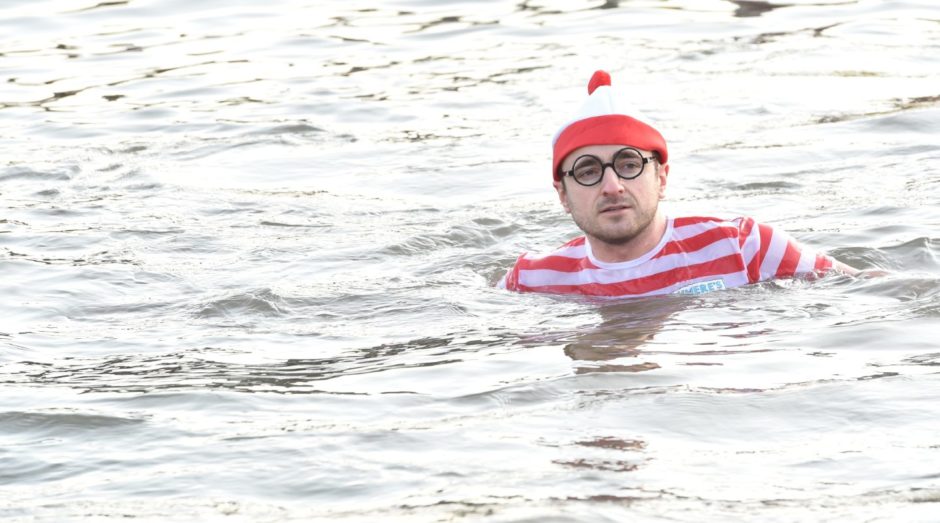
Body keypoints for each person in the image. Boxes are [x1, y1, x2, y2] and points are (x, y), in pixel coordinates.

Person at [498, 70, 858, 297]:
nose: (612, 186)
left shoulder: (746, 246)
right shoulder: (531, 279)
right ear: (562, 194)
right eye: (588, 171)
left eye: (629, 164)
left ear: (662, 177)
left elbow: (871, 289)